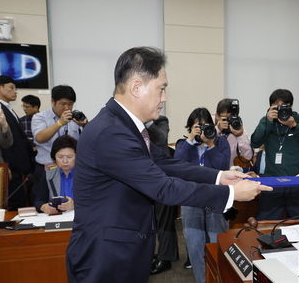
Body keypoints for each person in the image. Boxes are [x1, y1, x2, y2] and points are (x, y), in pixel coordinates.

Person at [66, 46, 271, 283]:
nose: (164, 98)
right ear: (136, 87)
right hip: (105, 257)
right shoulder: (112, 132)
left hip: (124, 248)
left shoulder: (125, 126)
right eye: (161, 89)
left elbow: (164, 163)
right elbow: (164, 188)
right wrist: (231, 193)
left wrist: (219, 176)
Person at [175, 107, 230, 283]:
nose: (203, 130)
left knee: (216, 243)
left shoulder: (220, 143)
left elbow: (223, 167)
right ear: (190, 127)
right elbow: (176, 166)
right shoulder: (184, 145)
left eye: (206, 125)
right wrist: (191, 140)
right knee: (195, 245)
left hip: (215, 198)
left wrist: (211, 145)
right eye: (198, 126)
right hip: (191, 198)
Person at [251, 89, 299, 220]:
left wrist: (294, 125)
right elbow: (255, 142)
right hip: (273, 182)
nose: (281, 110)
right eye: (277, 107)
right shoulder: (267, 121)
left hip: (298, 181)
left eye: (285, 106)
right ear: (270, 107)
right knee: (267, 223)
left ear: (291, 107)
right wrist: (267, 121)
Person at [0, 76, 33, 210]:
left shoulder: (8, 108)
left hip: (19, 168)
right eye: (11, 88)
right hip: (9, 168)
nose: (15, 91)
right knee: (12, 206)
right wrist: (5, 166)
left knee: (21, 204)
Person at [147, 115, 179, 275]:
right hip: (147, 178)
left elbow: (160, 137)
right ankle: (169, 253)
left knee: (164, 220)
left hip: (163, 178)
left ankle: (165, 259)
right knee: (159, 219)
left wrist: (146, 122)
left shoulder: (161, 120)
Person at [32, 85, 87, 176]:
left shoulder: (75, 118)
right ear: (53, 102)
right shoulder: (40, 117)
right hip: (47, 167)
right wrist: (60, 123)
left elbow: (85, 142)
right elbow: (40, 138)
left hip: (71, 168)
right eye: (63, 104)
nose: (67, 108)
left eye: (70, 104)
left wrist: (85, 126)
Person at [33, 135, 77, 214]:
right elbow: (38, 201)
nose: (65, 161)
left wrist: (75, 204)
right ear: (54, 158)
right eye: (60, 157)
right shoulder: (49, 175)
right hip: (57, 219)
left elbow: (95, 200)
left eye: (69, 157)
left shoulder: (86, 175)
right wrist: (44, 207)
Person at [215, 98, 253, 167]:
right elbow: (205, 149)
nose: (228, 121)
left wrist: (240, 136)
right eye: (225, 118)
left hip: (232, 173)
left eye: (230, 118)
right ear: (217, 116)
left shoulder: (239, 132)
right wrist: (218, 129)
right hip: (215, 173)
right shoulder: (212, 132)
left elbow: (248, 157)